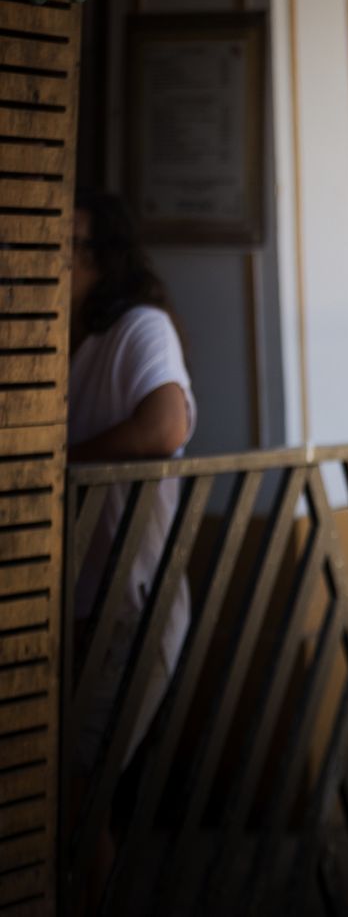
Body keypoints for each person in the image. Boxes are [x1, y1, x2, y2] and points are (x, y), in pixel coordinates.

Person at [67, 190, 196, 908]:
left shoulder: (138, 328)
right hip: (62, 609)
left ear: (101, 257)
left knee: (79, 793)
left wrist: (58, 465)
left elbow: (164, 423)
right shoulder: (52, 338)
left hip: (132, 605)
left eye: (67, 242)